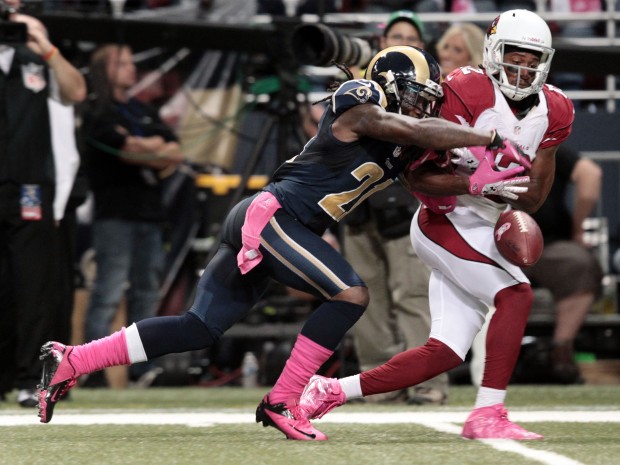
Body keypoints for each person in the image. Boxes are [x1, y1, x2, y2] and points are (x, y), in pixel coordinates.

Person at [38, 45, 527, 441]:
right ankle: (284, 398)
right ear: (391, 86)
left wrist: (476, 181)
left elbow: (422, 169)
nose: (423, 106)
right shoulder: (360, 100)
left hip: (278, 224)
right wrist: (485, 140)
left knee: (197, 329)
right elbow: (413, 128)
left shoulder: (402, 142)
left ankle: (74, 358)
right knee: (352, 293)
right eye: (416, 95)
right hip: (276, 217)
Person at [299, 10, 575, 441]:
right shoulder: (463, 90)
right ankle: (487, 414)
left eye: (531, 60)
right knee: (516, 294)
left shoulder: (555, 109)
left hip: (484, 224)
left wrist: (502, 184)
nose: (521, 70)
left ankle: (330, 390)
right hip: (443, 217)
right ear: (493, 52)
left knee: (444, 352)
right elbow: (415, 177)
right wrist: (475, 181)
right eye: (514, 58)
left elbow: (536, 196)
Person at [344, 9, 448, 405]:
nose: (401, 42)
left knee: (413, 294)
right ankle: (379, 384)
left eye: (410, 37)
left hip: (406, 204)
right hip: (360, 205)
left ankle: (426, 382)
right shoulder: (357, 89)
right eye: (394, 36)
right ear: (380, 45)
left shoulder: (431, 92)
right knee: (363, 296)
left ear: (423, 48)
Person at [79, 44, 184, 386]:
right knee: (107, 291)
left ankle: (142, 369)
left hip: (150, 215)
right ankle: (90, 371)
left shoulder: (143, 111)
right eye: (121, 63)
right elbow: (126, 152)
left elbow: (175, 152)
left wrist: (147, 149)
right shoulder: (97, 113)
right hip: (115, 214)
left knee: (146, 293)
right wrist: (153, 150)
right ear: (102, 70)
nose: (130, 69)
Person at [0, 0, 86, 407]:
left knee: (31, 285)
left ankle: (28, 378)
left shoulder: (33, 60)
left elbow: (76, 91)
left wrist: (46, 46)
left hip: (29, 184)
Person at [524, 146, 603, 383]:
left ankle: (561, 350)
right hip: (489, 244)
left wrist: (577, 229)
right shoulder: (477, 142)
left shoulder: (545, 146)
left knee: (580, 264)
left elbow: (591, 174)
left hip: (549, 243)